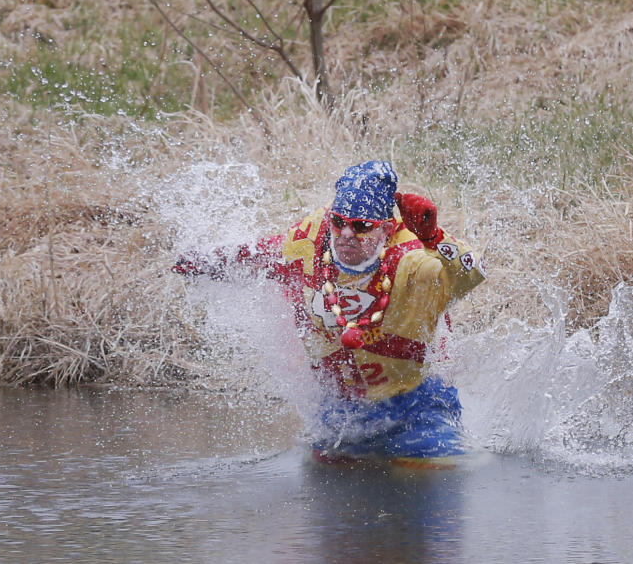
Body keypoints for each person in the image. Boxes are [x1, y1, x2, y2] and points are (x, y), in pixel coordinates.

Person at [173, 160, 486, 467]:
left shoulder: (413, 259)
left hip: (413, 406)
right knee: (331, 487)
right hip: (341, 415)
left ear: (387, 229)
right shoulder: (310, 240)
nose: (346, 234)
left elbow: (472, 275)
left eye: (362, 227)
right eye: (339, 221)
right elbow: (261, 254)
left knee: (433, 473)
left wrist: (434, 238)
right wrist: (210, 261)